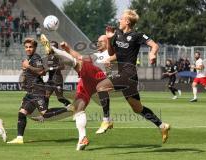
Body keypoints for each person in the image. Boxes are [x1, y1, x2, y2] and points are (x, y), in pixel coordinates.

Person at [95, 9, 170, 143]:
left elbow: (154, 45)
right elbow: (114, 53)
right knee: (138, 109)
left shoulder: (137, 35)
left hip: (129, 73)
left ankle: (106, 120)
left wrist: (153, 54)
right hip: (125, 75)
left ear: (127, 22)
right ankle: (162, 125)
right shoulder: (117, 34)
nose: (119, 20)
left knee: (101, 87)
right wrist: (110, 39)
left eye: (121, 18)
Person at [40, 34, 116, 150]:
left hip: (99, 77)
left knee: (78, 64)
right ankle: (82, 138)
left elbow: (119, 69)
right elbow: (79, 57)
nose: (98, 43)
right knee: (78, 109)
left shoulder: (112, 54)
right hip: (87, 82)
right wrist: (68, 49)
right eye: (97, 41)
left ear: (108, 43)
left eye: (102, 41)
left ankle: (53, 50)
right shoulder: (95, 55)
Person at [7, 38, 71, 144]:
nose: (28, 49)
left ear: (35, 48)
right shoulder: (31, 58)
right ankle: (19, 138)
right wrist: (25, 71)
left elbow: (41, 71)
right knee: (22, 113)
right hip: (31, 92)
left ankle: (68, 108)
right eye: (26, 47)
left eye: (30, 47)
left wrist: (28, 66)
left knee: (45, 114)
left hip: (37, 91)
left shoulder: (36, 58)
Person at [43, 41, 71, 108]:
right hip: (50, 79)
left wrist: (51, 68)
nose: (51, 47)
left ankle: (70, 105)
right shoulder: (49, 55)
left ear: (56, 47)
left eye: (53, 46)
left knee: (60, 98)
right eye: (50, 46)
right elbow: (47, 67)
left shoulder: (59, 55)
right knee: (46, 95)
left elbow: (62, 66)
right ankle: (44, 113)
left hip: (57, 80)